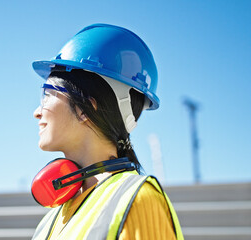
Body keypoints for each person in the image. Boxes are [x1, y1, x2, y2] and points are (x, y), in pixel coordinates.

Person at [31, 24, 184, 240]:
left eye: (47, 95)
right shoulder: (52, 218)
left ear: (86, 108)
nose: (37, 112)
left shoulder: (137, 201)